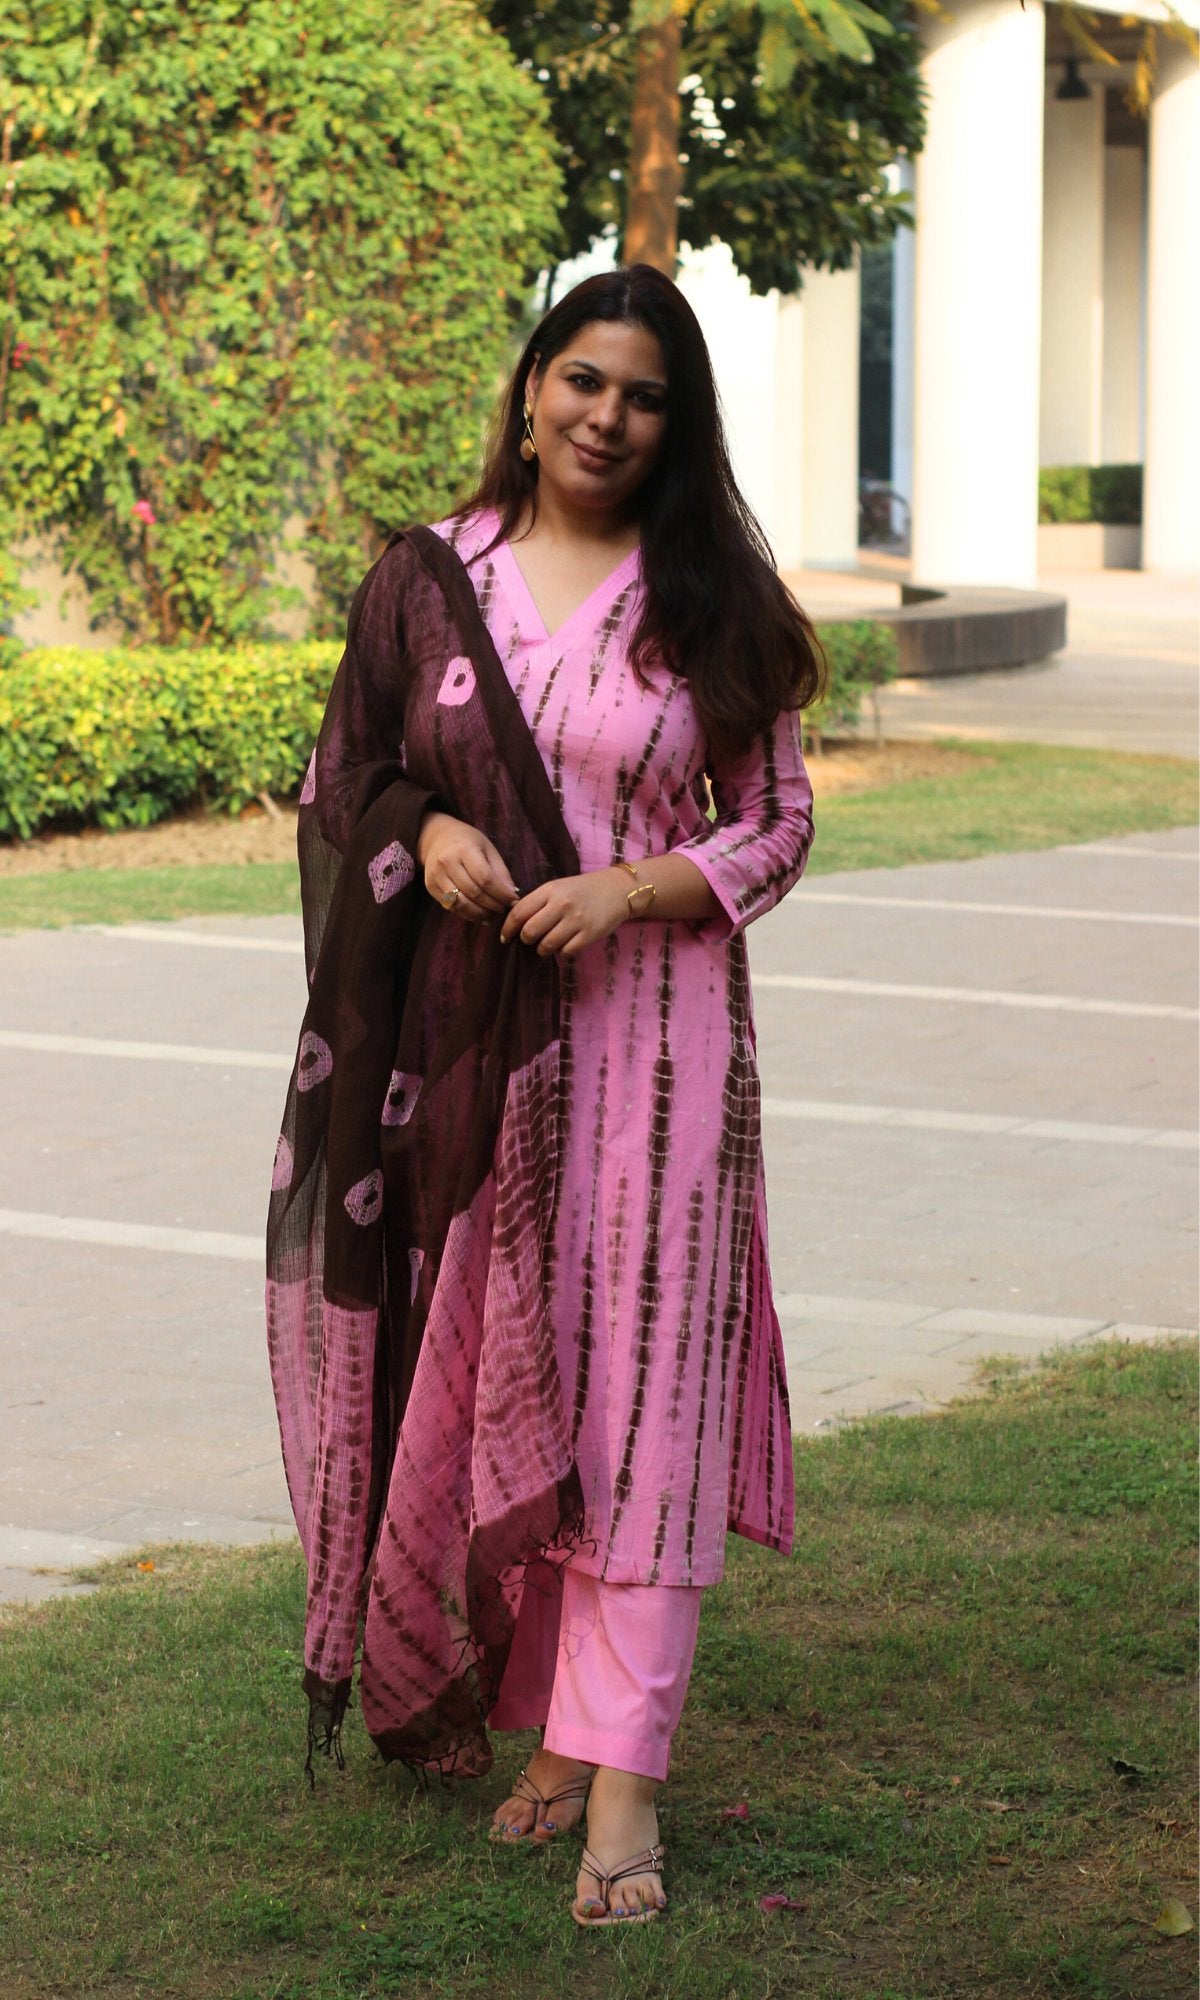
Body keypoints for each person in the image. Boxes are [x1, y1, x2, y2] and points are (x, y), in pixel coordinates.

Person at [266, 264, 821, 1929]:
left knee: (649, 1397)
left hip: (662, 1056)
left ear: (676, 423)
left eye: (643, 396)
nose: (605, 416)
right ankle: (567, 1737)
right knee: (541, 1382)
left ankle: (622, 1787)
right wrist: (424, 831)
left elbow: (781, 823)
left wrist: (642, 888)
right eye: (583, 380)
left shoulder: (709, 597)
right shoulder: (435, 581)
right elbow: (340, 776)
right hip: (476, 1071)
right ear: (529, 389)